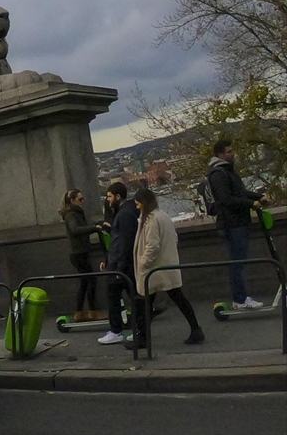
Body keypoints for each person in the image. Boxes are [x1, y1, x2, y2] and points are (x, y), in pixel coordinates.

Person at [126, 188, 204, 349]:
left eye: (138, 203)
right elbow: (172, 239)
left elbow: (152, 246)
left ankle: (143, 339)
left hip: (155, 269)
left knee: (146, 303)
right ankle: (195, 329)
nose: (137, 206)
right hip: (165, 265)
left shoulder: (151, 220)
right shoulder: (162, 216)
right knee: (176, 299)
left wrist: (143, 263)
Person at [207, 139, 271, 310]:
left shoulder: (228, 171)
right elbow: (226, 199)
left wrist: (258, 198)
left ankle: (241, 298)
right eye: (229, 151)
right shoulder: (218, 174)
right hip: (232, 224)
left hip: (238, 222)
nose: (232, 153)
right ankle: (240, 299)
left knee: (239, 261)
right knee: (237, 262)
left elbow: (240, 193)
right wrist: (251, 204)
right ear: (220, 154)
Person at [98, 183, 138, 345]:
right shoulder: (123, 212)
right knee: (130, 297)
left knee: (118, 296)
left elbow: (124, 243)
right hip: (118, 263)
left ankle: (118, 331)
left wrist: (118, 266)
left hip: (121, 266)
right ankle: (131, 330)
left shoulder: (124, 214)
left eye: (109, 196)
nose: (107, 200)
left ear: (118, 196)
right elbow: (118, 240)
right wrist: (107, 260)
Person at [60, 189, 105, 322]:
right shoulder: (71, 214)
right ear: (72, 201)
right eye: (80, 199)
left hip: (79, 252)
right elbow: (75, 229)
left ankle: (79, 313)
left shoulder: (74, 213)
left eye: (83, 198)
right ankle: (91, 311)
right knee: (90, 281)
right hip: (78, 253)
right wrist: (94, 228)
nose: (83, 201)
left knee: (85, 283)